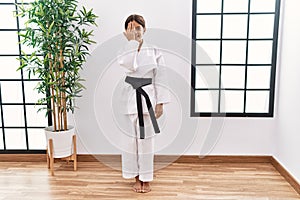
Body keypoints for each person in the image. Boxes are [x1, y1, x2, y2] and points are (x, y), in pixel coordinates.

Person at [117, 14, 170, 193]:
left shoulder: (154, 50)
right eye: (131, 28)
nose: (135, 31)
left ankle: (146, 178)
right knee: (129, 142)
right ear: (126, 31)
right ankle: (135, 177)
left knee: (147, 142)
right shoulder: (125, 50)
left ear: (144, 29)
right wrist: (131, 42)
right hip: (128, 99)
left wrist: (161, 102)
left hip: (148, 98)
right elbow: (128, 65)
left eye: (138, 28)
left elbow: (161, 76)